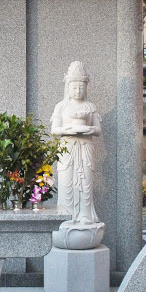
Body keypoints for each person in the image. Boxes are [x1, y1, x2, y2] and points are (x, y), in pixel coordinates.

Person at [50, 61, 102, 225]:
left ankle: (85, 216)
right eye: (74, 87)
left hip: (86, 148)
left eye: (81, 87)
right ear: (68, 87)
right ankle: (66, 216)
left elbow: (98, 130)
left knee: (85, 184)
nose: (78, 91)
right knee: (66, 183)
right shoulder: (61, 107)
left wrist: (89, 129)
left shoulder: (90, 106)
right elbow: (54, 130)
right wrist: (69, 129)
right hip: (67, 149)